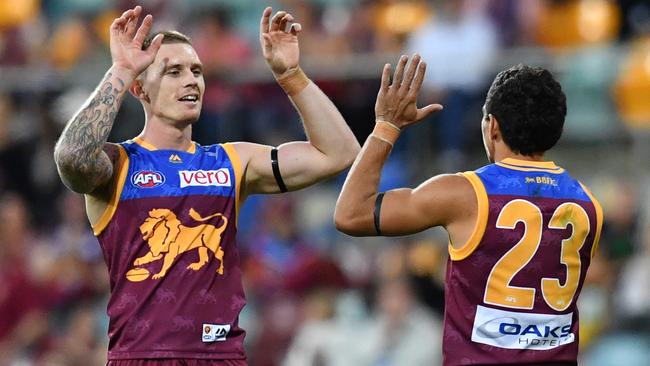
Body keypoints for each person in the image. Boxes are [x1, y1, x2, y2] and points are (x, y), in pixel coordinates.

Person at [53, 5, 360, 365]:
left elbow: (339, 153)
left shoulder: (232, 161)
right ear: (140, 88)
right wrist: (120, 69)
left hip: (221, 356)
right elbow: (72, 157)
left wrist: (291, 75)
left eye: (197, 71)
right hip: (141, 356)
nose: (191, 80)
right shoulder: (118, 164)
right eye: (174, 71)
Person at [334, 55, 603, 365]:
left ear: (493, 126)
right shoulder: (589, 203)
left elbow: (350, 214)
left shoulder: (462, 194)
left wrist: (386, 126)